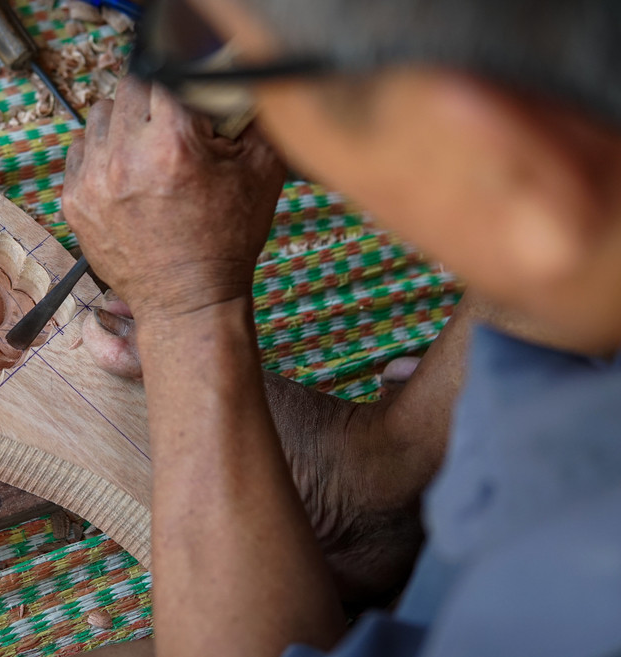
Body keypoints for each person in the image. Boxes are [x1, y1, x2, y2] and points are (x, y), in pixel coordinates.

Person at [60, 0, 621, 655]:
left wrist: (190, 309)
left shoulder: (575, 575)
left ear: (506, 160)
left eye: (242, 66)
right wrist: (398, 457)